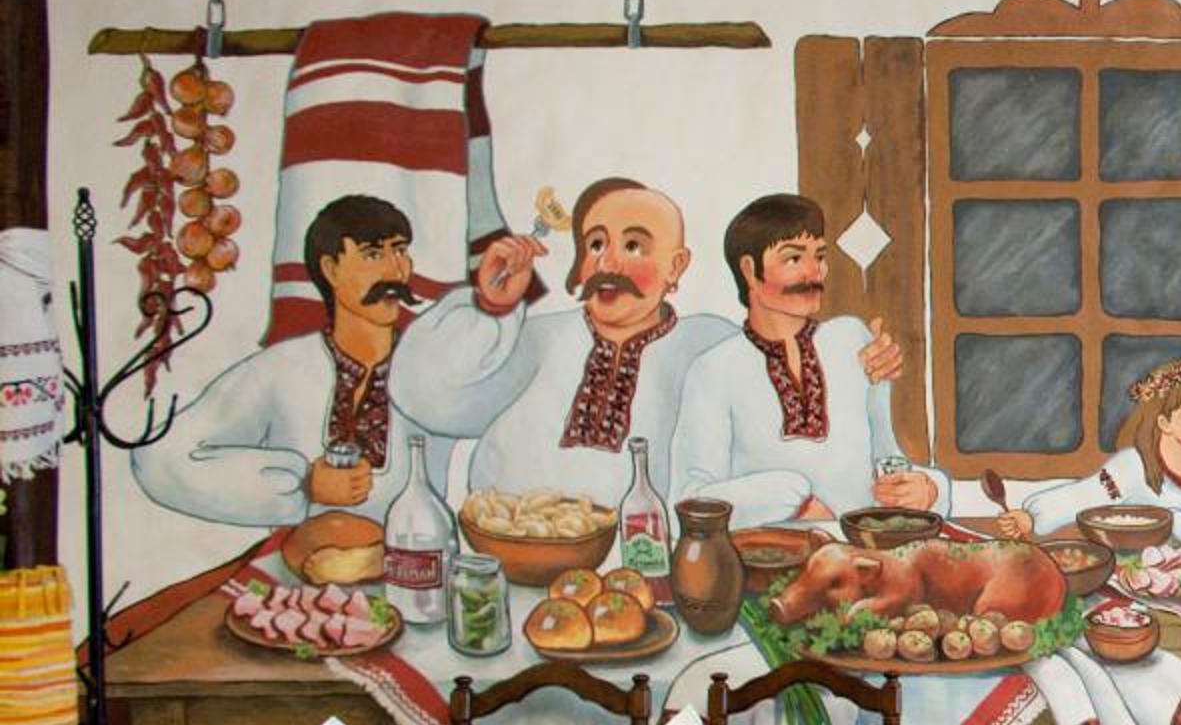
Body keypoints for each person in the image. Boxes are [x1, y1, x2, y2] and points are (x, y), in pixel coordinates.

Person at [392, 176, 733, 502]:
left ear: (675, 266)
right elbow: (427, 400)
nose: (607, 263)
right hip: (509, 537)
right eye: (596, 244)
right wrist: (493, 305)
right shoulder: (538, 339)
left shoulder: (708, 347)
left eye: (633, 246)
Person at [134, 194, 449, 527]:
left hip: (421, 555)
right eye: (373, 254)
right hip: (300, 557)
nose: (395, 270)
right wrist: (302, 485)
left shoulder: (441, 371)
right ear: (331, 269)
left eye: (400, 251)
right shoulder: (282, 369)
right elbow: (158, 458)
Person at [675, 194, 941, 524]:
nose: (815, 272)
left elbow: (887, 460)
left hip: (860, 544)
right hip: (767, 549)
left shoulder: (852, 340)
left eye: (820, 256)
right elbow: (690, 500)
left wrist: (929, 489)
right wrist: (793, 500)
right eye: (793, 258)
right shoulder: (714, 370)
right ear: (749, 270)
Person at [1019, 348, 1181, 550]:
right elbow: (1083, 496)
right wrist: (1031, 517)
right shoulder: (1132, 466)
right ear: (1165, 423)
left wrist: (1172, 521)